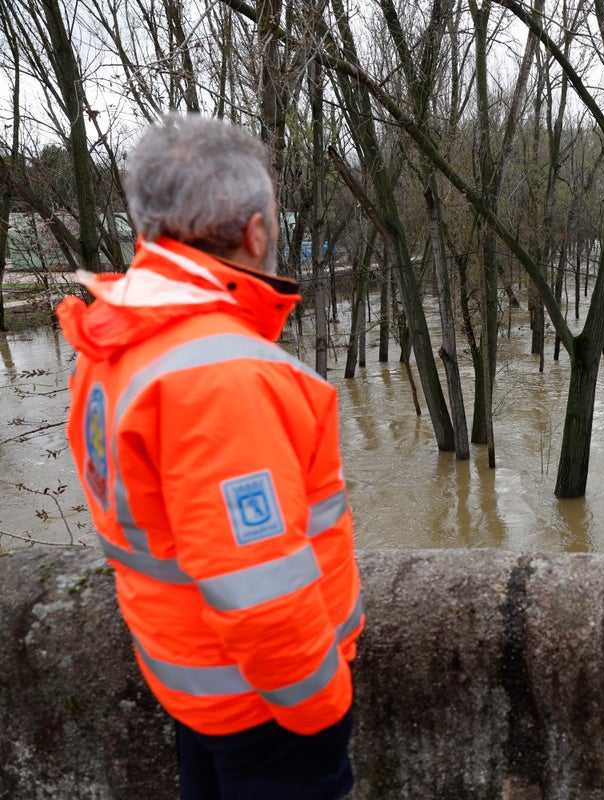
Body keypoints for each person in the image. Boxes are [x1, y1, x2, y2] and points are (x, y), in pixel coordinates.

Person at [57, 114, 363, 800]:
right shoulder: (223, 372)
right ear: (257, 231)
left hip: (190, 676)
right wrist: (322, 706)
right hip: (266, 707)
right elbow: (259, 586)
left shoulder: (119, 341)